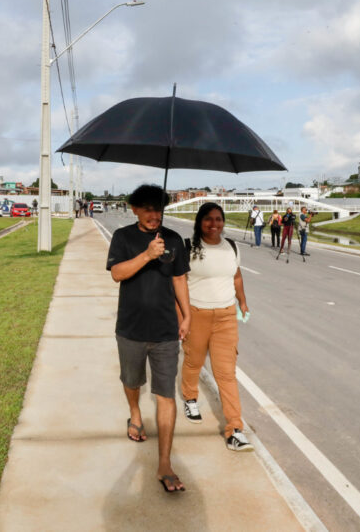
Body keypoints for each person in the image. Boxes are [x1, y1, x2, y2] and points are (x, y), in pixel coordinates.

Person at [106, 184, 191, 493]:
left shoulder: (174, 239)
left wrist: (187, 314)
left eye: (159, 209)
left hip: (166, 331)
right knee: (132, 380)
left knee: (166, 393)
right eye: (148, 209)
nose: (154, 215)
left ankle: (165, 463)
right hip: (130, 328)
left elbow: (180, 277)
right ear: (134, 209)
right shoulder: (123, 237)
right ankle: (135, 414)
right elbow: (117, 273)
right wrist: (146, 255)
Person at [180, 203, 254, 452]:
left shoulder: (231, 247)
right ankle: (190, 398)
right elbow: (177, 282)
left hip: (226, 316)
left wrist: (242, 301)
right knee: (194, 362)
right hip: (196, 313)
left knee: (226, 373)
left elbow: (236, 276)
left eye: (219, 219)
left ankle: (235, 429)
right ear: (199, 222)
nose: (214, 224)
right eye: (209, 219)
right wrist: (182, 316)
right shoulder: (188, 247)